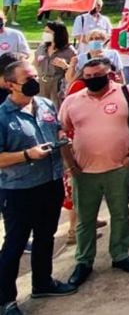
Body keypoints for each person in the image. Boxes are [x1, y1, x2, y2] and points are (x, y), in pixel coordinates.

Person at [59, 58, 129, 287]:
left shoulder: (128, 93)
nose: (92, 80)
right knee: (85, 220)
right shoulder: (72, 101)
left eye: (97, 75)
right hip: (84, 172)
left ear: (109, 74)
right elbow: (61, 133)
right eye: (87, 77)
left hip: (119, 168)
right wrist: (70, 165)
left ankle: (120, 254)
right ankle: (84, 261)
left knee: (120, 214)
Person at [0, 60, 77, 311]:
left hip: (50, 183)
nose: (34, 82)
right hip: (19, 190)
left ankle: (42, 282)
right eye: (27, 79)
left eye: (35, 76)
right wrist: (26, 155)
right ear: (10, 85)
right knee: (15, 244)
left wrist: (62, 141)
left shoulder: (44, 104)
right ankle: (5, 299)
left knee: (46, 237)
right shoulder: (2, 116)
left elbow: (55, 130)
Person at [34, 21, 72, 106]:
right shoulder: (41, 48)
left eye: (48, 32)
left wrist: (66, 66)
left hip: (57, 88)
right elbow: (34, 64)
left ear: (57, 34)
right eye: (44, 31)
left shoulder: (69, 51)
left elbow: (75, 74)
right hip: (41, 86)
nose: (45, 34)